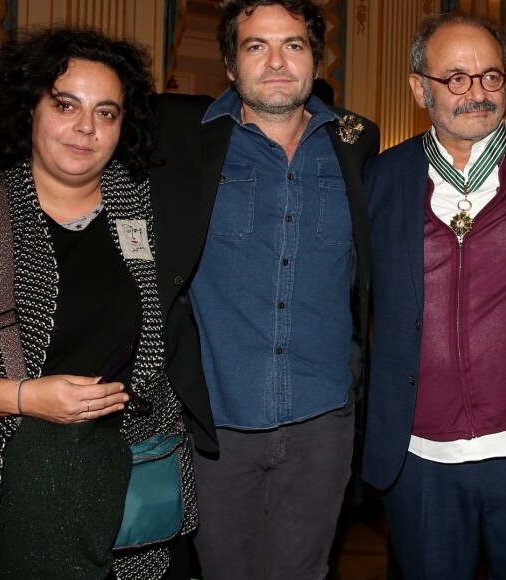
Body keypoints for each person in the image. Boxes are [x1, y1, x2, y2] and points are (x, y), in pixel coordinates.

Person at [156, 1, 379, 579]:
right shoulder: (185, 141)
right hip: (216, 425)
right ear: (230, 64)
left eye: (294, 45)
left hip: (323, 421)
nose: (277, 61)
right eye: (257, 46)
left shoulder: (356, 145)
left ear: (317, 58)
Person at [361, 12, 506, 580]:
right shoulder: (379, 181)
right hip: (420, 460)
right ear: (418, 87)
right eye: (455, 78)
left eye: (491, 77)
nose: (476, 93)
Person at [0, 27, 200, 580]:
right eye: (66, 105)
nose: (86, 128)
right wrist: (22, 397)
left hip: (131, 475)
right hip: (19, 480)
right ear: (28, 107)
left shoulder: (145, 207)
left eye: (106, 113)